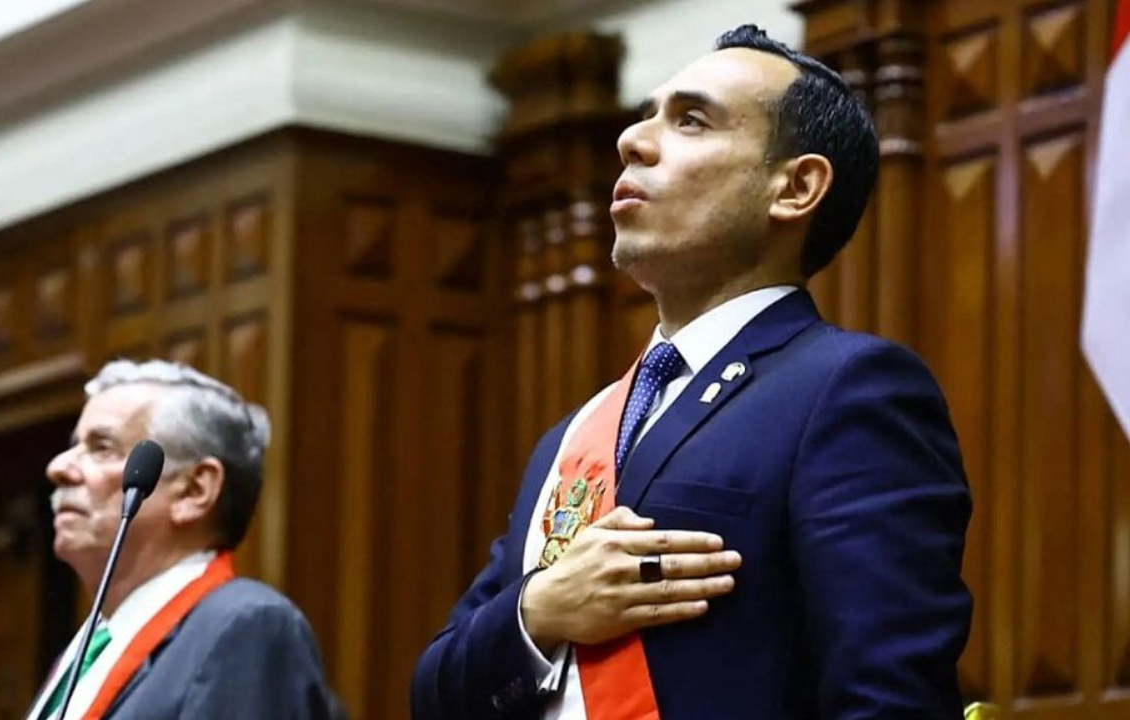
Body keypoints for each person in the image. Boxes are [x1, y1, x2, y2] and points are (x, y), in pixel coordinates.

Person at [412, 24, 971, 720]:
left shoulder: (848, 389)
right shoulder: (574, 436)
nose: (632, 141)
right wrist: (540, 610)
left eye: (692, 121)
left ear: (795, 187)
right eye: (646, 115)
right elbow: (435, 691)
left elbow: (889, 701)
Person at [27, 359, 342, 720]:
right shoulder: (88, 650)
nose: (59, 467)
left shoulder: (245, 629)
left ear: (195, 490)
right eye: (75, 445)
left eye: (102, 447)